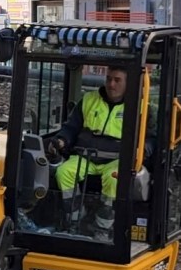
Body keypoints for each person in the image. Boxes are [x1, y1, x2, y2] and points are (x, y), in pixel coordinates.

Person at [47, 66, 154, 241]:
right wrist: (61, 140)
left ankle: (103, 228)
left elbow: (151, 138)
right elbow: (71, 127)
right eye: (109, 79)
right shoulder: (89, 99)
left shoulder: (140, 107)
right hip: (86, 156)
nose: (111, 84)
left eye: (117, 80)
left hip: (118, 159)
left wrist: (142, 150)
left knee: (115, 179)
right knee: (63, 172)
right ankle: (75, 221)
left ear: (128, 83)